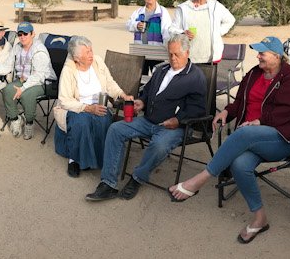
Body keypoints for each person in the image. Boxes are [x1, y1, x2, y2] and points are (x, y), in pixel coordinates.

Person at [168, 36, 290, 244]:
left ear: (277, 56)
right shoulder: (254, 74)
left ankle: (199, 180)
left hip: (281, 138)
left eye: (262, 53)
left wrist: (260, 121)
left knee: (242, 133)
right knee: (240, 165)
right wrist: (226, 111)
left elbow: (287, 111)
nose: (258, 57)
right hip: (250, 136)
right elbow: (240, 102)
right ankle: (260, 218)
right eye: (258, 53)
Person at [87, 34, 207, 202]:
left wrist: (178, 120)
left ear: (187, 53)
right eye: (170, 54)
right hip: (148, 120)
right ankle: (108, 183)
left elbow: (198, 108)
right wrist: (142, 102)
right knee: (115, 129)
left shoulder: (195, 77)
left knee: (159, 145)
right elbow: (147, 91)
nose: (173, 58)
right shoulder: (161, 70)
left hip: (173, 127)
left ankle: (137, 178)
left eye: (177, 54)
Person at [53, 36, 125, 178]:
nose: (91, 54)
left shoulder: (97, 62)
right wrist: (88, 108)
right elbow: (64, 100)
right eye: (87, 52)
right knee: (81, 122)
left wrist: (122, 94)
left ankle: (99, 158)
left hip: (99, 103)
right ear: (77, 58)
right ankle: (74, 159)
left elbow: (109, 83)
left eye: (91, 50)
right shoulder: (68, 70)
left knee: (103, 119)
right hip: (76, 106)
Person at [0, 22, 52, 140]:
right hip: (22, 80)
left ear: (32, 34)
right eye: (19, 34)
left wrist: (23, 88)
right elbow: (7, 65)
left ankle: (29, 123)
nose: (22, 37)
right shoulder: (17, 47)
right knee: (7, 90)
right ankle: (15, 119)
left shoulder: (39, 50)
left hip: (42, 82)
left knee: (27, 95)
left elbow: (39, 75)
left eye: (25, 34)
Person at [165, 0, 236, 64]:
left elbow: (230, 20)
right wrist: (183, 33)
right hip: (188, 57)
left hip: (210, 58)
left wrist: (218, 32)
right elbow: (172, 29)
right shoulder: (183, 8)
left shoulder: (215, 6)